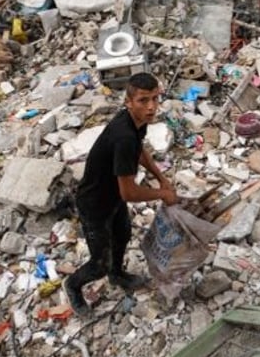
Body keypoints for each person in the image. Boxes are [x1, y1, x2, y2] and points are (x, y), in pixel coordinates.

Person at [66, 73, 178, 316]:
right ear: (129, 101)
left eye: (155, 99)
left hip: (112, 198)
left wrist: (161, 177)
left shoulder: (136, 122)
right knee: (98, 265)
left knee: (123, 234)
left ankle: (117, 275)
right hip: (94, 204)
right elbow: (128, 192)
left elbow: (139, 152)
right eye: (143, 100)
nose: (151, 107)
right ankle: (73, 286)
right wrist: (162, 194)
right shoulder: (123, 136)